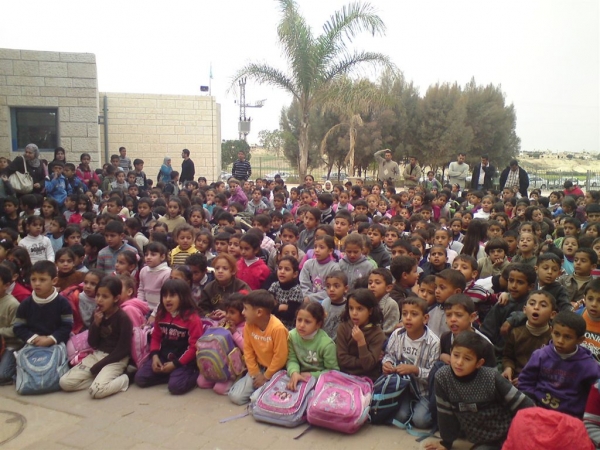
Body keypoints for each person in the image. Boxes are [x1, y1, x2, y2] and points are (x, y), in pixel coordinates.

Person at [426, 332, 534, 450]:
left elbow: (524, 404)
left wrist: (528, 432)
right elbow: (445, 413)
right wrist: (446, 442)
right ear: (450, 352)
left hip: (506, 433)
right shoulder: (442, 377)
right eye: (456, 355)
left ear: (479, 363)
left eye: (467, 358)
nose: (459, 362)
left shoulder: (491, 377)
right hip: (480, 438)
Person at [59, 276, 132, 398]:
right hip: (98, 355)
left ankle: (127, 378)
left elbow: (123, 350)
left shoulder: (123, 319)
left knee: (97, 392)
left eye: (105, 297)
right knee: (65, 383)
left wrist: (99, 365)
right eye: (98, 295)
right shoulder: (97, 314)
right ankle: (98, 381)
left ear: (116, 298)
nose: (99, 300)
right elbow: (93, 343)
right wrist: (96, 324)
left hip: (116, 359)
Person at [519, 311, 600, 418]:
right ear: (551, 331)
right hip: (538, 409)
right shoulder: (540, 355)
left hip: (571, 417)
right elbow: (526, 381)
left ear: (580, 340)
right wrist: (530, 402)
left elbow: (594, 394)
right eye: (556, 334)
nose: (560, 341)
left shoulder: (589, 366)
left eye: (567, 337)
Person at [135, 279, 203, 395]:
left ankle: (193, 374)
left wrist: (175, 364)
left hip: (184, 361)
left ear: (183, 297)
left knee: (175, 387)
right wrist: (155, 357)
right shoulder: (161, 314)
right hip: (165, 357)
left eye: (172, 296)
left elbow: (194, 347)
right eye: (164, 296)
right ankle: (171, 374)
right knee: (140, 378)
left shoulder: (192, 319)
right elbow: (156, 337)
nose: (167, 299)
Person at [383, 297, 440, 429]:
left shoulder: (433, 342)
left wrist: (415, 370)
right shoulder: (397, 334)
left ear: (425, 318)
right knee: (400, 417)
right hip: (403, 388)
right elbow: (389, 355)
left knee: (420, 421)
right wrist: (387, 364)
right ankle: (409, 407)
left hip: (424, 391)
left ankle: (419, 409)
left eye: (414, 314)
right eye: (404, 314)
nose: (408, 318)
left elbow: (434, 375)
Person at [228, 290, 289, 405]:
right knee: (235, 397)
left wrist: (266, 376)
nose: (243, 312)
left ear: (259, 312)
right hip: (258, 368)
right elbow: (248, 351)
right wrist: (255, 373)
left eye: (245, 309)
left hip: (275, 371)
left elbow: (280, 358)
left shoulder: (277, 329)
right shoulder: (248, 325)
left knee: (255, 399)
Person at [501, 290, 556, 383]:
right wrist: (508, 368)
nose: (536, 307)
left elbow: (553, 366)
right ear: (525, 310)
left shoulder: (553, 338)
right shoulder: (515, 333)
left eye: (543, 305)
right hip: (514, 378)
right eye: (532, 303)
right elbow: (508, 357)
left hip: (540, 381)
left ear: (552, 314)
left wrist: (528, 378)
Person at [286, 302, 339, 391]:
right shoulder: (292, 336)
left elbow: (333, 371)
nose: (301, 325)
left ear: (318, 324)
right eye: (299, 320)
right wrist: (294, 373)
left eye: (307, 322)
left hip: (320, 381)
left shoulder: (326, 344)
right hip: (298, 375)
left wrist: (312, 375)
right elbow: (292, 359)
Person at [336, 288, 386, 381]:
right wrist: (363, 362)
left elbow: (368, 365)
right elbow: (342, 359)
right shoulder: (343, 328)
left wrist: (361, 341)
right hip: (345, 375)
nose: (354, 313)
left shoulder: (377, 334)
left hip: (368, 378)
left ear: (370, 311)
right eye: (351, 308)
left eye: (360, 309)